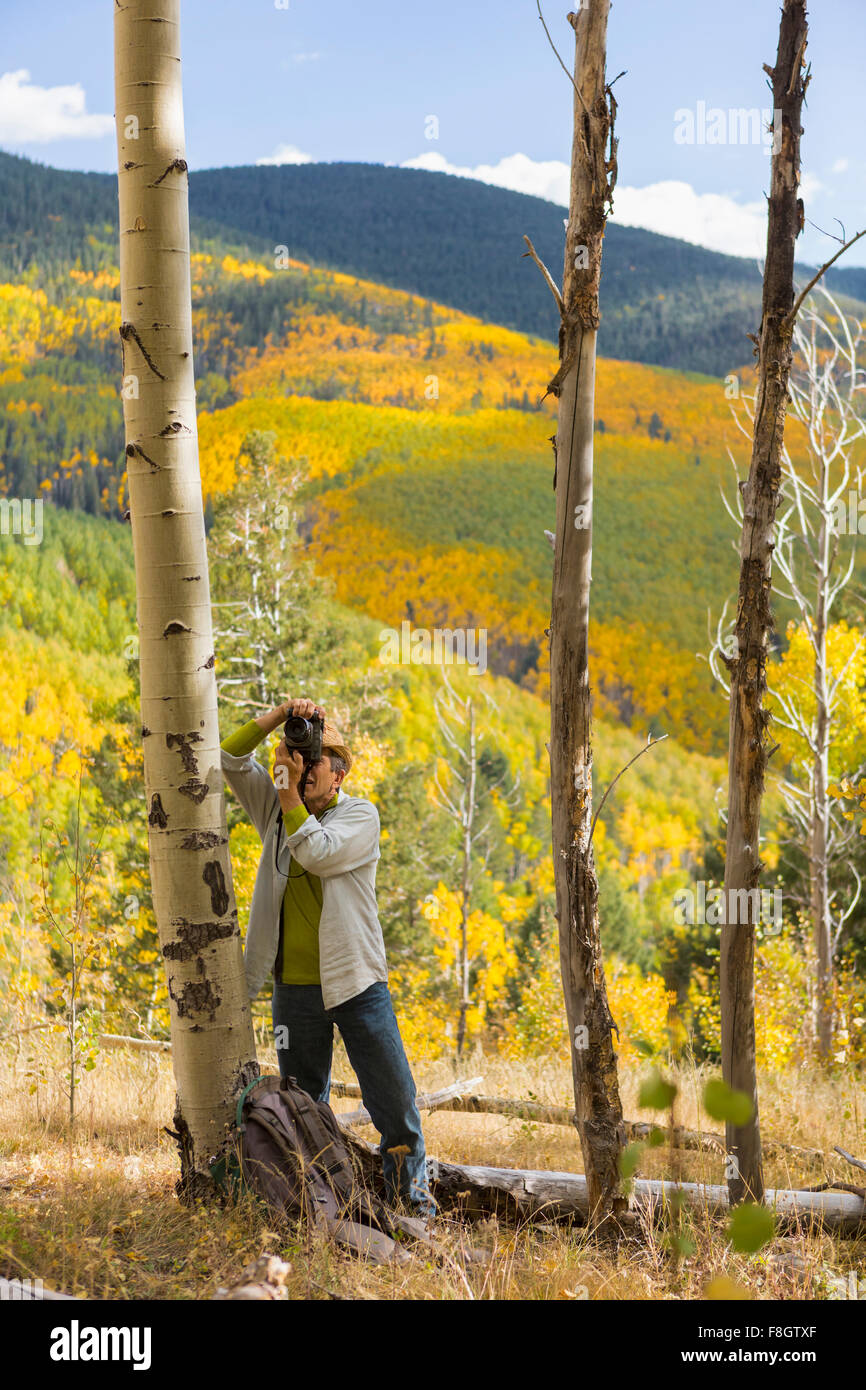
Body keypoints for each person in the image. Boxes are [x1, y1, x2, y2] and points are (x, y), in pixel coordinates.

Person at [220, 696, 435, 1216]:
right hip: (293, 988)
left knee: (394, 1101)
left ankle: (411, 1202)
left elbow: (315, 852)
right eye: (295, 758)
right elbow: (227, 760)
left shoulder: (360, 816)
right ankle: (323, 1204)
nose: (300, 768)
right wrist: (274, 718)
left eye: (312, 761)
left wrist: (288, 794)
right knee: (306, 1105)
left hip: (357, 983)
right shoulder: (276, 808)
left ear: (338, 775)